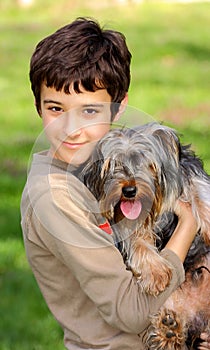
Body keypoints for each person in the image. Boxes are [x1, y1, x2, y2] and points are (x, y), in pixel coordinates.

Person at [21, 17, 209, 349]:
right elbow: (131, 312)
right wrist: (188, 225)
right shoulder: (53, 197)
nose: (71, 129)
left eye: (90, 111)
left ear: (119, 106)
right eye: (55, 108)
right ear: (37, 105)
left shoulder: (103, 167)